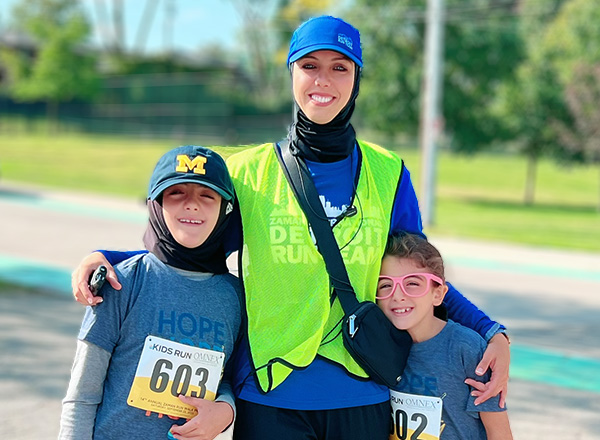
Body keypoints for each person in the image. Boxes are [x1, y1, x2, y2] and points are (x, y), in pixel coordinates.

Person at [71, 16, 510, 440]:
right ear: (291, 74)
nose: (324, 80)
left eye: (340, 68)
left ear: (356, 79)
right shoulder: (246, 173)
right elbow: (190, 249)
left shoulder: (389, 172)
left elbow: (418, 280)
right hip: (269, 397)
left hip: (363, 393)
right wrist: (110, 259)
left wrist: (491, 331)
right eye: (309, 66)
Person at [60, 145, 242, 440]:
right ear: (155, 204)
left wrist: (226, 408)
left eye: (207, 196)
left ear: (225, 209)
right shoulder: (123, 283)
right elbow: (82, 395)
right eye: (176, 193)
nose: (192, 205)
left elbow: (233, 379)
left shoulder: (235, 299)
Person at [377, 232, 513, 439]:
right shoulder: (375, 347)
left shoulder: (467, 349)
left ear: (438, 294)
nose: (397, 295)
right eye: (385, 285)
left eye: (412, 284)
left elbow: (499, 433)